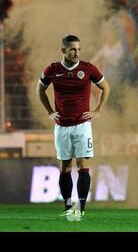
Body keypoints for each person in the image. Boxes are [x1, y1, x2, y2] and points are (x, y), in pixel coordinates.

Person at [36, 35, 110, 219]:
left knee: (83, 164)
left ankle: (81, 208)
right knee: (65, 166)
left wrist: (98, 110)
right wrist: (49, 111)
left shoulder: (88, 69)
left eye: (78, 49)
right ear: (63, 50)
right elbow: (40, 89)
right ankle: (68, 206)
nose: (76, 53)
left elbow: (106, 88)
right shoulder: (52, 70)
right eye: (72, 49)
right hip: (62, 126)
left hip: (82, 125)